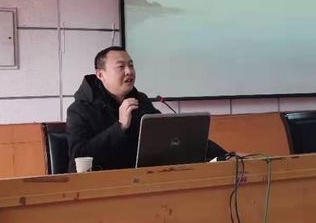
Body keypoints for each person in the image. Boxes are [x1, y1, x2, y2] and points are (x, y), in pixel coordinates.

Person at [66, 46, 226, 172]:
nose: (129, 71)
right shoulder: (79, 110)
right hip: (103, 187)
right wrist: (120, 127)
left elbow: (172, 137)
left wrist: (225, 156)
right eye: (121, 66)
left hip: (142, 181)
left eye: (131, 65)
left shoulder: (140, 100)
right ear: (100, 74)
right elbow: (79, 157)